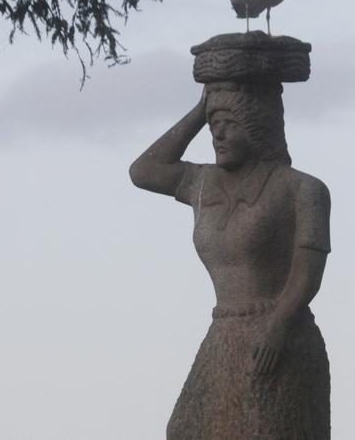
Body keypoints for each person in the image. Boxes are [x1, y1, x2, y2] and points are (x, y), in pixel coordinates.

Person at [130, 81, 332, 439]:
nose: (218, 135)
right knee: (185, 430)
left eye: (230, 125)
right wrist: (199, 110)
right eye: (214, 126)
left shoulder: (302, 189)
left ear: (258, 130)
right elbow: (144, 171)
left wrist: (278, 326)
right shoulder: (201, 182)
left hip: (278, 337)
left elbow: (307, 274)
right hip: (223, 333)